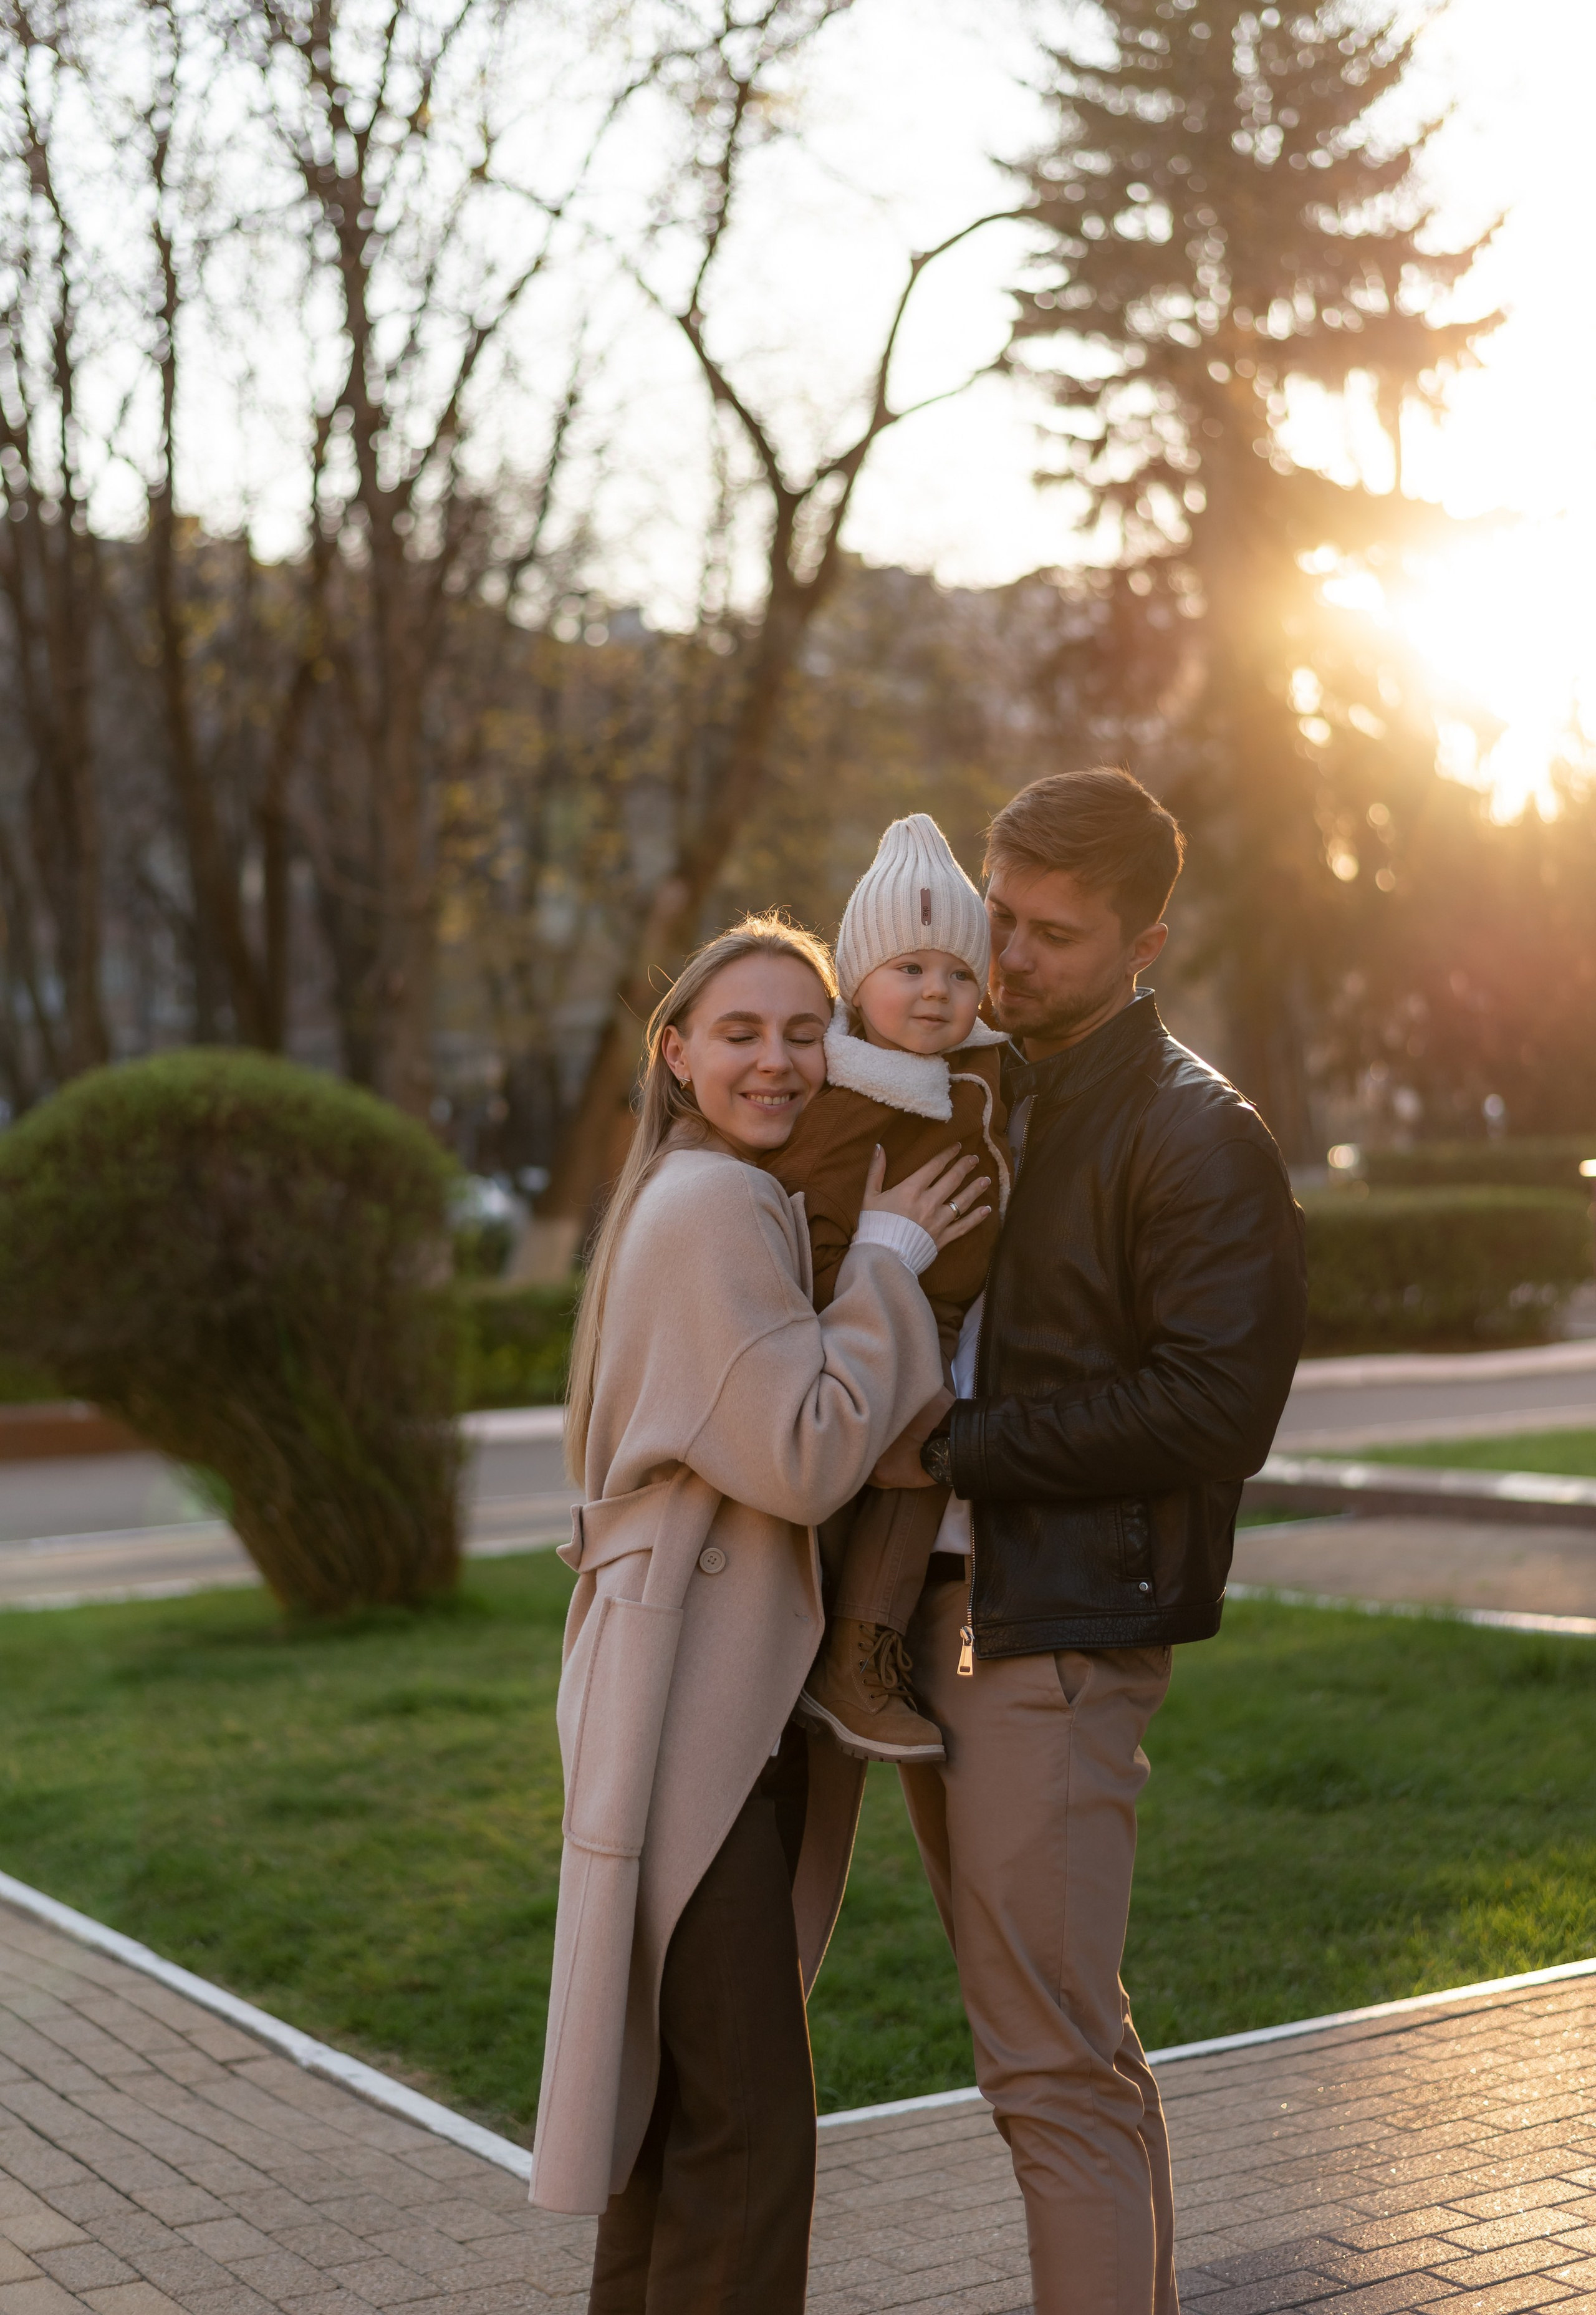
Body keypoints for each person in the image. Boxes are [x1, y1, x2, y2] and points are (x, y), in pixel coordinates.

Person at [875, 769, 1309, 2315]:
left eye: (1053, 933)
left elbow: (1211, 1408)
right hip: (946, 1613)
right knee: (1069, 2044)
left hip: (1052, 1635)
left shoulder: (1195, 1132)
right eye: (998, 914)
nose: (1007, 954)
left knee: (1045, 2065)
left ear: (1147, 944)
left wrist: (958, 1446)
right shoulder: (986, 1080)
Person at [527, 912, 992, 2315]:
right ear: (673, 1051)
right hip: (692, 1694)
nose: (778, 1064)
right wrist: (893, 1261)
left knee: (674, 2117)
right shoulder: (713, 1206)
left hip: (690, 1674)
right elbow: (801, 1449)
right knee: (746, 2123)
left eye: (804, 1032)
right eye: (739, 1034)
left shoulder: (698, 1189)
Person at [766, 813, 1009, 1764]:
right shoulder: (845, 1095)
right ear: (856, 983)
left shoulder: (979, 1071)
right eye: (909, 969)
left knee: (917, 1473)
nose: (937, 992)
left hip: (948, 1323)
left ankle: (857, 1649)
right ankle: (850, 1658)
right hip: (867, 1323)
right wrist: (862, 1274)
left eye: (958, 973)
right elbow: (798, 1211)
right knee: (908, 1465)